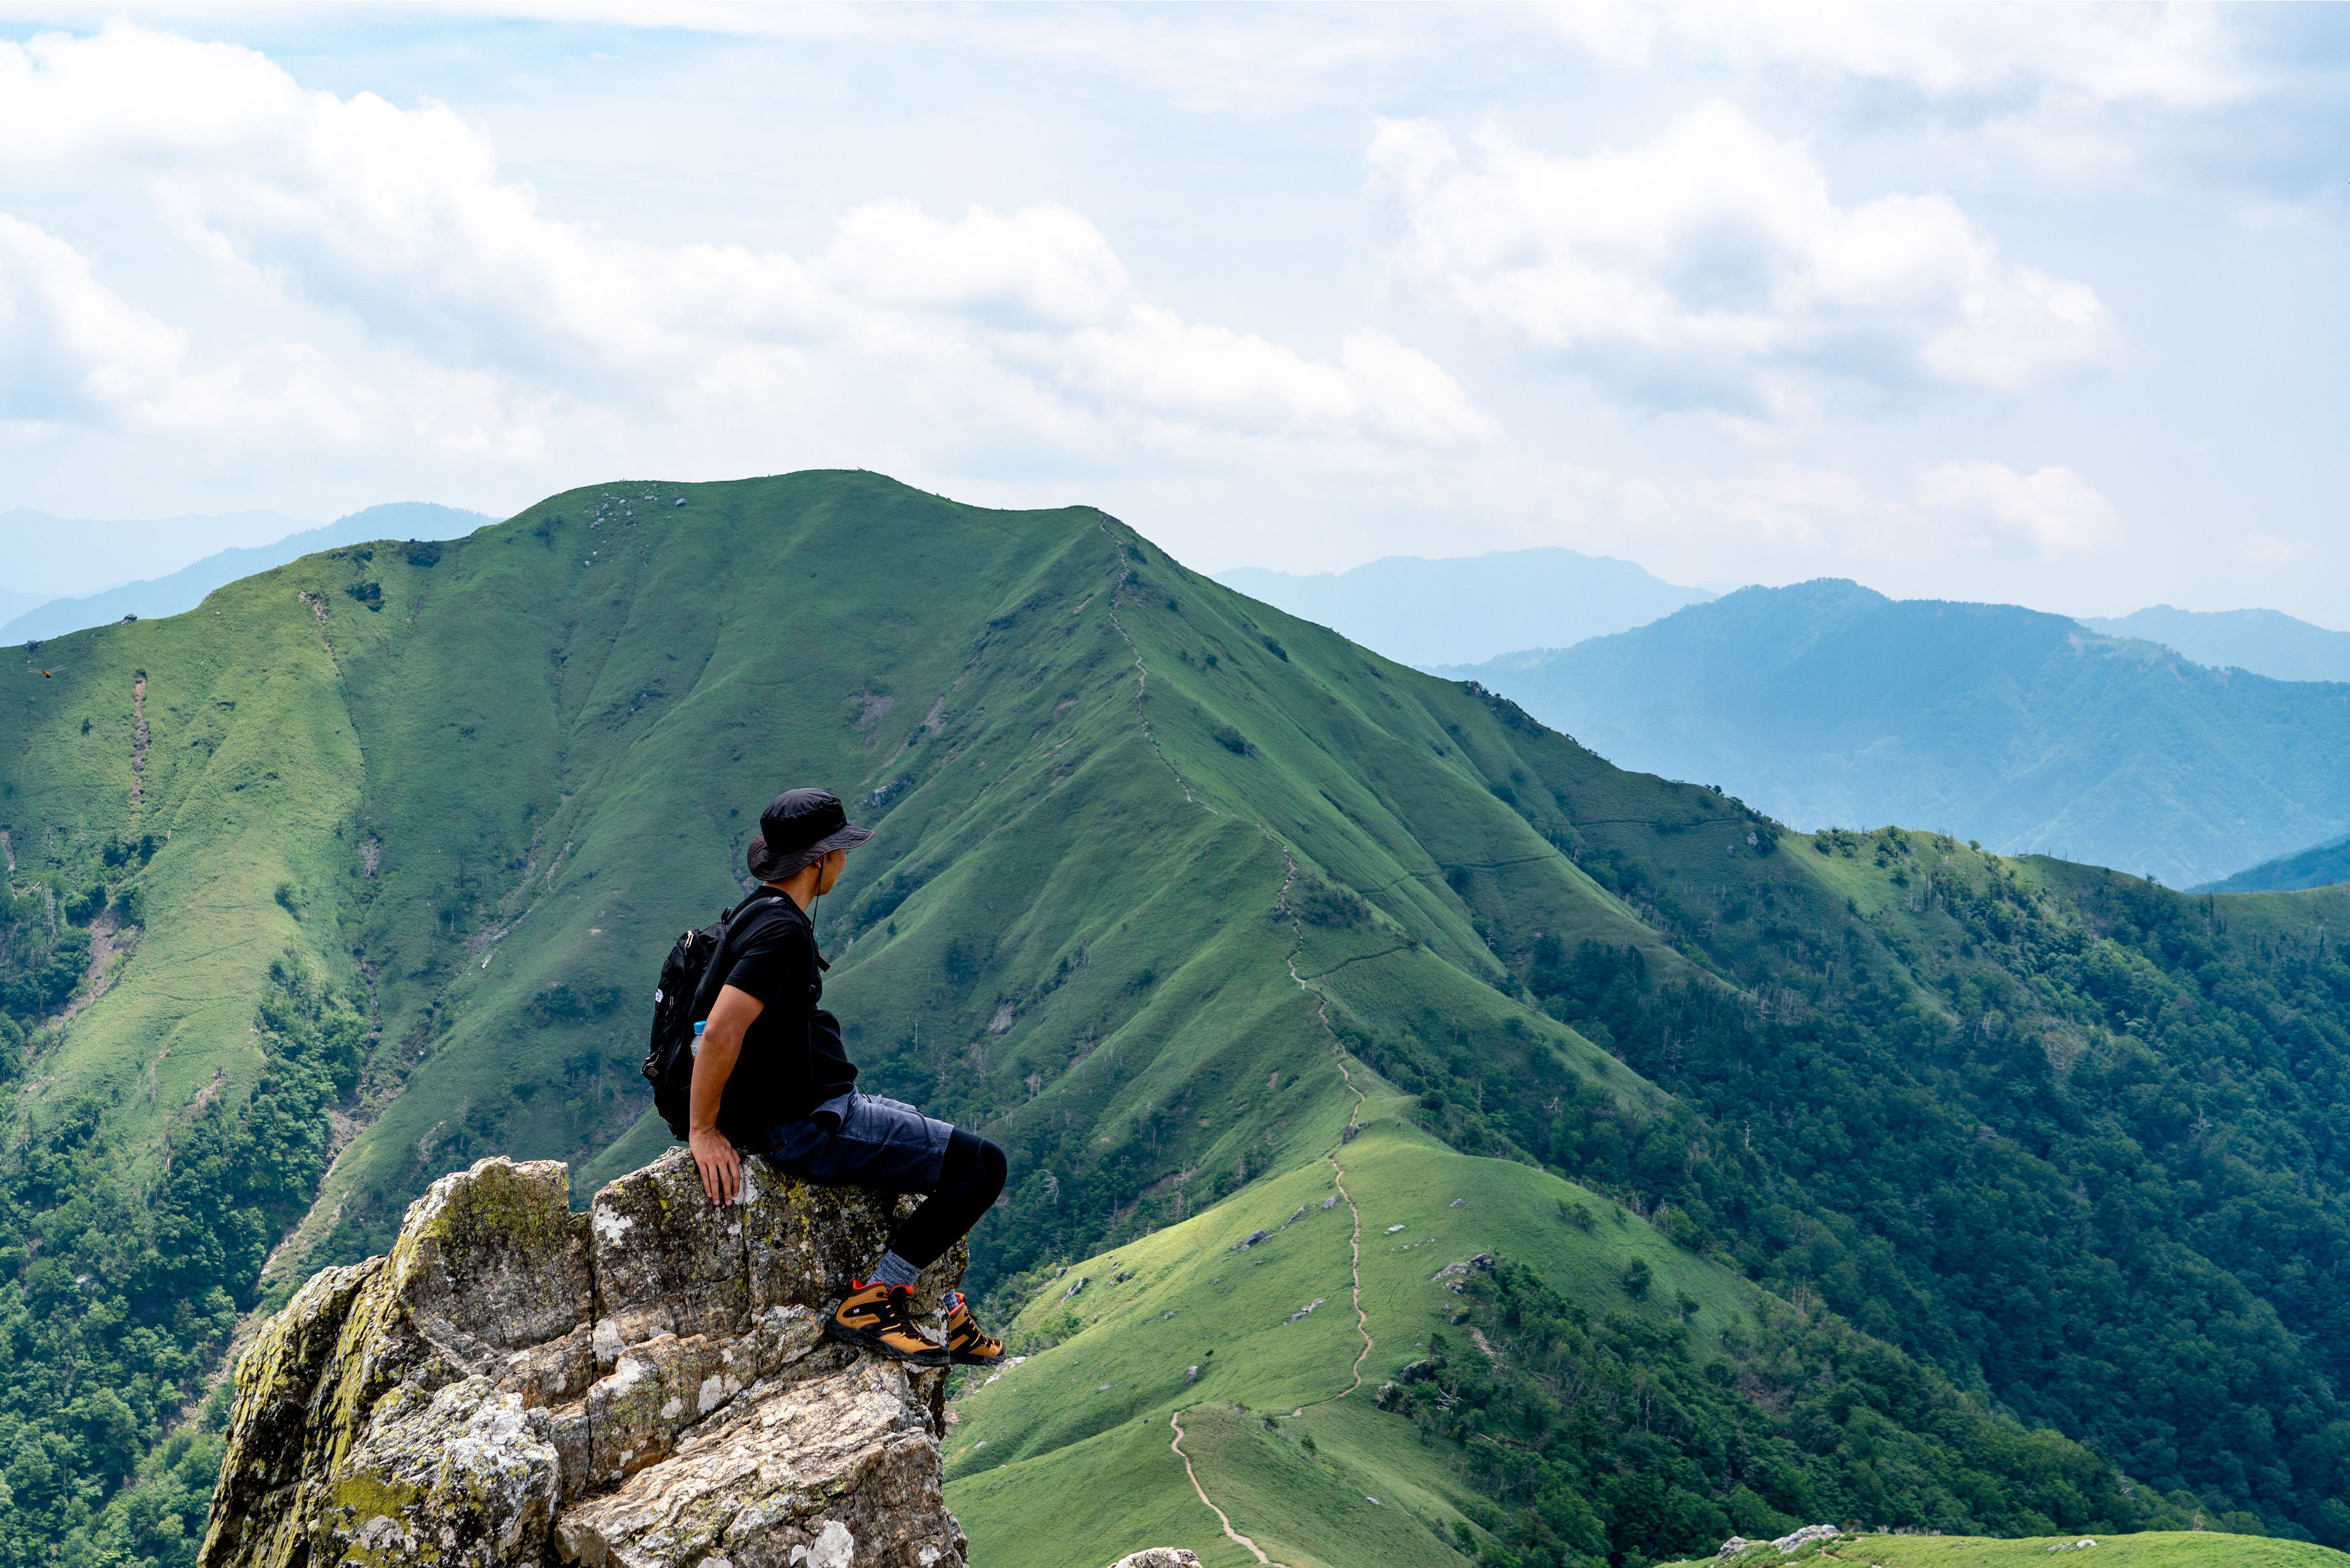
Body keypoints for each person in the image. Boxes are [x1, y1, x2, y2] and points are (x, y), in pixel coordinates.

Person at [688, 786, 1008, 1369]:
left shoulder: (755, 913)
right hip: (809, 1123)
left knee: (921, 1137)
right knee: (982, 1167)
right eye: (840, 851)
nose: (844, 861)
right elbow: (718, 1032)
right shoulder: (782, 933)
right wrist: (702, 1128)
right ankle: (874, 1300)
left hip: (815, 1106)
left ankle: (946, 1308)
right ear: (819, 861)